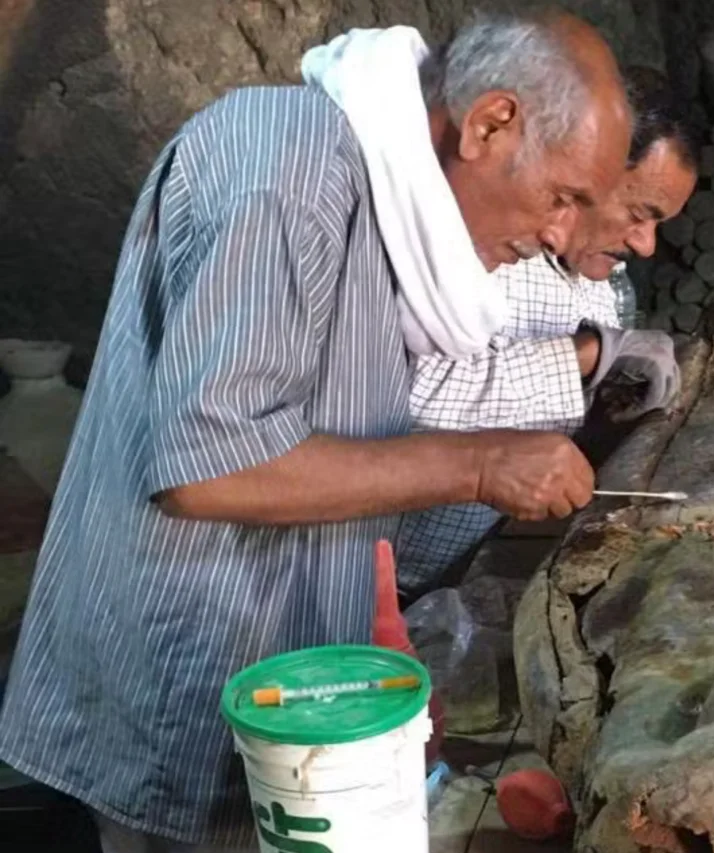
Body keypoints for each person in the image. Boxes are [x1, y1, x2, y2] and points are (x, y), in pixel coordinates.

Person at [0, 9, 633, 852]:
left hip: (282, 677)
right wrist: (481, 465)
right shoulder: (290, 166)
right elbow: (212, 469)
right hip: (181, 681)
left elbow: (345, 463)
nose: (561, 235)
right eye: (564, 197)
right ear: (490, 123)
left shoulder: (383, 208)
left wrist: (378, 664)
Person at [394, 67, 700, 593]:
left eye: (659, 225)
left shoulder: (604, 284)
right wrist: (588, 356)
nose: (647, 244)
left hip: (463, 578)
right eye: (639, 213)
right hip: (372, 574)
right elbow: (401, 394)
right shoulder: (490, 239)